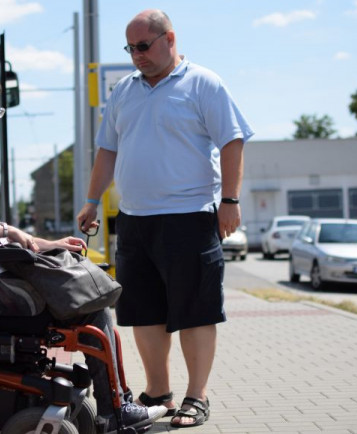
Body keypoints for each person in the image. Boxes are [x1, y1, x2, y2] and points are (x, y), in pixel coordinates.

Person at [0, 69, 167, 432]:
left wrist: (49, 244)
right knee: (91, 310)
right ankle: (115, 409)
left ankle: (116, 405)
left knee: (93, 304)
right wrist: (9, 229)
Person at [76, 10, 254, 429]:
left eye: (144, 46)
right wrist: (90, 199)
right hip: (135, 220)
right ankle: (158, 391)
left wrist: (230, 199)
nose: (137, 55)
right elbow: (107, 150)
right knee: (144, 312)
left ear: (169, 38)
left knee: (195, 311)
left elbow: (232, 141)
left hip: (189, 217)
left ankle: (197, 396)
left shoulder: (203, 83)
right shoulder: (123, 92)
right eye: (130, 48)